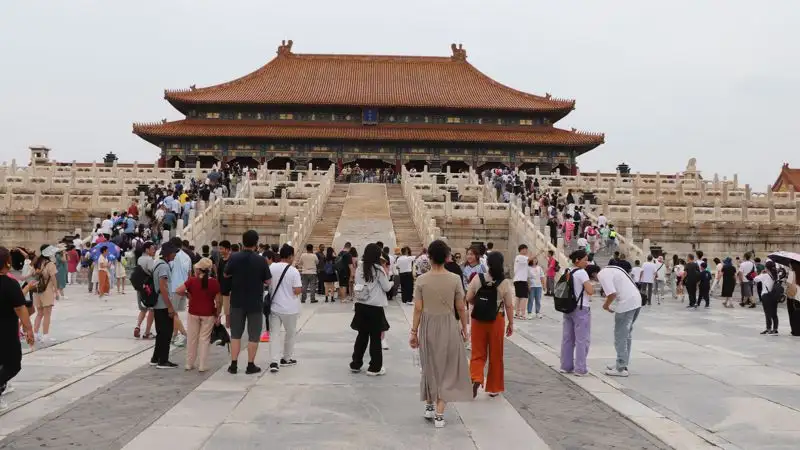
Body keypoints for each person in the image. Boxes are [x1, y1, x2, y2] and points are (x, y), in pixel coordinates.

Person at [410, 240, 471, 428]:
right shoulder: (454, 279)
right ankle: (439, 413)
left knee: (429, 366)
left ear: (429, 257)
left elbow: (418, 309)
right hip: (448, 325)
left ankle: (429, 405)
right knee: (446, 369)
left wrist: (414, 332)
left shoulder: (421, 280)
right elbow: (461, 307)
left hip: (428, 325)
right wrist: (465, 328)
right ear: (446, 257)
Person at [467, 251, 514, 398]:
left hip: (478, 320)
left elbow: (468, 297)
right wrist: (511, 323)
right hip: (496, 320)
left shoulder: (477, 278)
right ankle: (494, 388)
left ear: (487, 263)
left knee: (477, 352)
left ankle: (476, 377)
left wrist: (479, 304)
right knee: (496, 354)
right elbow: (509, 305)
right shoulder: (504, 282)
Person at [225, 230, 271, 375]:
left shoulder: (234, 257)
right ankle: (250, 365)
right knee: (253, 335)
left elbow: (226, 274)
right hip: (255, 302)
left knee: (236, 334)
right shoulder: (260, 260)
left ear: (243, 241)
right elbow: (267, 280)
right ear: (256, 243)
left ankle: (233, 364)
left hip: (237, 300)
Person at [0, 247, 36, 411]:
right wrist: (29, 329)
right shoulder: (9, 284)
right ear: (7, 262)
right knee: (13, 365)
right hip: (6, 333)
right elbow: (21, 309)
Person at [350, 243, 394, 376]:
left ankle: (356, 364)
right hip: (375, 307)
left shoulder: (360, 267)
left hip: (361, 305)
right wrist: (390, 279)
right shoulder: (379, 269)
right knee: (375, 338)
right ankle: (374, 367)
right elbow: (386, 287)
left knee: (361, 336)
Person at [590, 264, 639, 377]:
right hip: (636, 300)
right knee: (626, 335)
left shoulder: (602, 275)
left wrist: (606, 306)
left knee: (620, 336)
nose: (596, 282)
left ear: (593, 274)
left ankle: (621, 368)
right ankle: (622, 362)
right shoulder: (612, 269)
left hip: (626, 304)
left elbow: (612, 294)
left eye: (593, 279)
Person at [176, 258, 220, 372]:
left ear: (199, 270)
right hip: (208, 313)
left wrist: (187, 294)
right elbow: (218, 301)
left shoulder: (192, 281)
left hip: (193, 312)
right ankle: (202, 365)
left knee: (192, 338)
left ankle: (189, 363)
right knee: (204, 339)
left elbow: (178, 290)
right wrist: (217, 313)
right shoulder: (214, 282)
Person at [267, 244, 303, 374]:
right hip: (290, 308)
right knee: (290, 333)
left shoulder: (272, 267)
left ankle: (273, 362)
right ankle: (286, 358)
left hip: (275, 306)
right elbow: (297, 290)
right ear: (290, 256)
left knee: (274, 334)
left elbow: (267, 283)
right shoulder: (294, 271)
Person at [560, 249, 594, 377]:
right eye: (585, 260)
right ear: (577, 260)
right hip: (581, 308)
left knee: (567, 338)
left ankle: (565, 366)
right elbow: (590, 291)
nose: (587, 262)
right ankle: (580, 368)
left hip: (568, 307)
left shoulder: (567, 271)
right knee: (582, 339)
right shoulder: (582, 273)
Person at [150, 242, 178, 369]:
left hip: (158, 304)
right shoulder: (164, 267)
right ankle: (163, 360)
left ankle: (156, 358)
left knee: (161, 332)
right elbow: (163, 287)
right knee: (166, 332)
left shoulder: (158, 263)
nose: (175, 255)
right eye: (173, 253)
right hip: (163, 304)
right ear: (168, 253)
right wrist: (170, 306)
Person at [33, 246, 59, 343]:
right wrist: (56, 291)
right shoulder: (50, 264)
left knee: (39, 314)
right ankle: (45, 336)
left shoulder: (37, 263)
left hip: (37, 290)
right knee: (47, 314)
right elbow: (53, 278)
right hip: (47, 291)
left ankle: (35, 334)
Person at [168, 237, 191, 347]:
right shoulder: (187, 257)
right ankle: (174, 335)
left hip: (174, 287)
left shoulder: (173, 256)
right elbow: (190, 273)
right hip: (184, 287)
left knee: (172, 313)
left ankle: (184, 334)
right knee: (175, 312)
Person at [755, 261, 779, 335]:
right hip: (774, 295)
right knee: (774, 313)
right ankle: (775, 329)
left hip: (766, 295)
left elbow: (755, 279)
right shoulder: (776, 275)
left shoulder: (764, 275)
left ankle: (768, 329)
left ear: (766, 267)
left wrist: (762, 273)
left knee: (767, 313)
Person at [217, 240, 233, 328]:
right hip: (220, 289)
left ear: (227, 249)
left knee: (227, 312)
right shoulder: (221, 260)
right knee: (218, 308)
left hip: (229, 290)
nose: (220, 250)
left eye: (221, 248)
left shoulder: (232, 260)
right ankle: (218, 327)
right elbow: (218, 275)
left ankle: (228, 327)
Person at [785, 262, 800, 336]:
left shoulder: (792, 273)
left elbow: (791, 285)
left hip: (794, 296)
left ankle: (795, 330)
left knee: (793, 313)